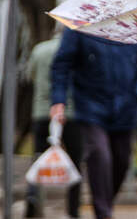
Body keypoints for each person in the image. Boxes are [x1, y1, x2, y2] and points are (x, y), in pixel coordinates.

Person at [50, 29, 137, 219]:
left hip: (126, 107)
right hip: (91, 106)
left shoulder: (134, 23)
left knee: (122, 161)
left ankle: (105, 204)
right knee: (100, 155)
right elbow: (62, 64)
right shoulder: (80, 25)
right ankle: (103, 213)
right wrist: (58, 99)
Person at [25, 34, 82, 218]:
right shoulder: (77, 50)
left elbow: (30, 75)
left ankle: (32, 199)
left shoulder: (40, 49)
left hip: (42, 111)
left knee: (37, 159)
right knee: (75, 162)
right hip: (71, 113)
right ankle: (73, 210)